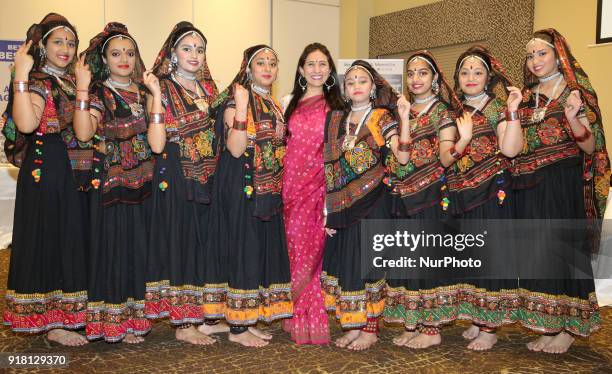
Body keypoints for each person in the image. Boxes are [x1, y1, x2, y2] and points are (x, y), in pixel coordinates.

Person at [512, 29, 609, 354]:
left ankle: (569, 327)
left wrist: (573, 119)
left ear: (559, 55)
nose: (535, 61)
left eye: (542, 53)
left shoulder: (575, 92)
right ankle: (550, 324)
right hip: (531, 185)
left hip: (564, 184)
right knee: (540, 256)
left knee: (565, 254)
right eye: (530, 55)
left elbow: (591, 145)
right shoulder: (526, 96)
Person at [2, 13, 90, 346]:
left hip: (70, 172)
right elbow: (25, 124)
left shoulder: (69, 81)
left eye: (70, 42)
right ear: (42, 45)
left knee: (69, 239)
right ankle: (53, 323)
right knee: (50, 239)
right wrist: (21, 75)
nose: (65, 48)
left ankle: (67, 316)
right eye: (58, 42)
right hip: (47, 169)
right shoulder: (38, 79)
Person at [74, 22, 164, 343]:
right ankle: (113, 321)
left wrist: (155, 95)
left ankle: (136, 320)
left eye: (129, 52)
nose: (124, 58)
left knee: (140, 248)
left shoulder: (141, 91)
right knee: (116, 248)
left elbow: (156, 142)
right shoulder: (100, 92)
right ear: (105, 59)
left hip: (145, 182)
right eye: (116, 53)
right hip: (114, 185)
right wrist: (83, 88)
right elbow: (84, 133)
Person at [145, 21, 227, 346]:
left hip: (210, 178)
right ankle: (183, 323)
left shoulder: (210, 90)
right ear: (173, 54)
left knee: (205, 245)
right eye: (187, 48)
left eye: (200, 49)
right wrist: (153, 95)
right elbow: (155, 143)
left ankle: (206, 317)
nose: (194, 54)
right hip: (178, 175)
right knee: (183, 244)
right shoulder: (162, 88)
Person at [322, 60, 412, 350]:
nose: (357, 86)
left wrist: (405, 119)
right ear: (344, 90)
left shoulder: (381, 118)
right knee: (347, 263)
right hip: (342, 203)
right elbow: (328, 165)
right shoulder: (336, 118)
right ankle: (355, 324)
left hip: (374, 201)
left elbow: (401, 157)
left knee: (369, 263)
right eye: (351, 82)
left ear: (373, 87)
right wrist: (328, 210)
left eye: (362, 80)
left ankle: (370, 329)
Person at [208, 45, 292, 347]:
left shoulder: (272, 103)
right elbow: (235, 148)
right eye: (261, 63)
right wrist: (242, 107)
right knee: (242, 249)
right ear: (248, 68)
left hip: (266, 189)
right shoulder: (236, 98)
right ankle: (237, 328)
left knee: (255, 250)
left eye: (273, 62)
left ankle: (246, 318)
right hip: (240, 185)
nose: (267, 68)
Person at [448, 45, 523, 351]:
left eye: (478, 72)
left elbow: (510, 150)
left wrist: (514, 110)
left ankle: (490, 327)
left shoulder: (497, 108)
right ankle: (477, 318)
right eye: (465, 72)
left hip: (491, 195)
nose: (471, 77)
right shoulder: (453, 109)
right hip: (459, 196)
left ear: (489, 77)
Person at [280, 42, 344, 345]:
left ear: (330, 70)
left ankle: (310, 319)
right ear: (301, 69)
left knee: (313, 256)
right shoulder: (287, 101)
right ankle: (293, 314)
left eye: (323, 64)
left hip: (319, 190)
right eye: (311, 64)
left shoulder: (337, 107)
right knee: (293, 252)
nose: (317, 70)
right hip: (289, 190)